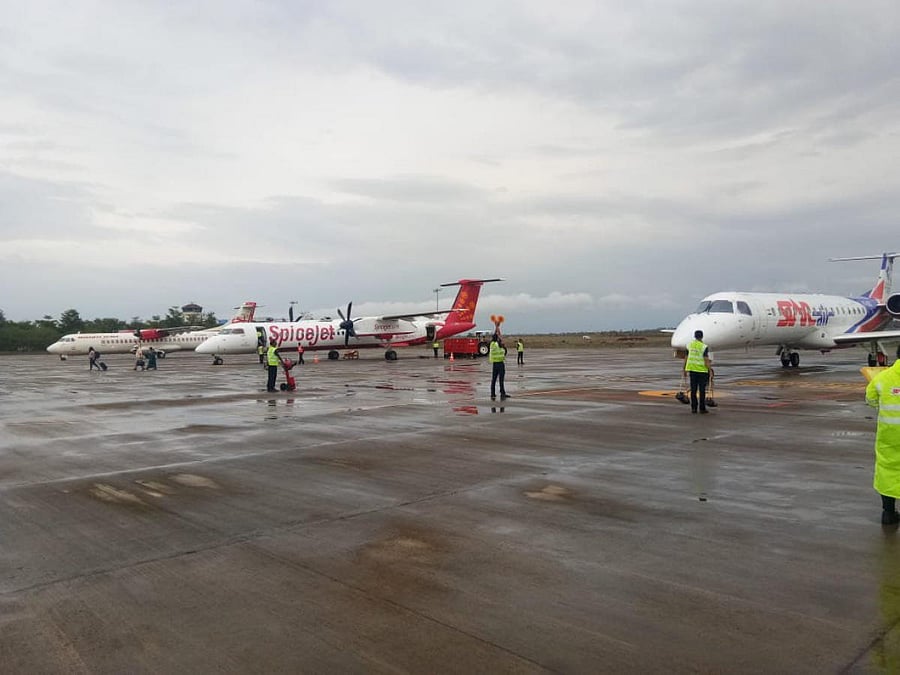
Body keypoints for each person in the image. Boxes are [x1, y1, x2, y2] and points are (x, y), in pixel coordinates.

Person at [866, 345, 900, 525]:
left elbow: (870, 399)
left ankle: (888, 513)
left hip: (890, 435)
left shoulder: (882, 377)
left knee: (888, 470)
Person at [683, 329, 711, 414]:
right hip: (702, 371)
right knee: (702, 390)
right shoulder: (704, 347)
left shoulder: (689, 345)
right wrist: (710, 370)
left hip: (692, 370)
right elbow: (706, 360)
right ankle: (702, 409)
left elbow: (686, 358)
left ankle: (694, 408)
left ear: (695, 336)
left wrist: (684, 368)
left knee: (693, 390)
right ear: (702, 336)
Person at [489, 333, 509, 401]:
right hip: (500, 364)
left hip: (495, 364)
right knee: (501, 380)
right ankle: (502, 392)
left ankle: (492, 393)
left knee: (494, 379)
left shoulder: (492, 345)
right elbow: (505, 352)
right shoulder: (500, 346)